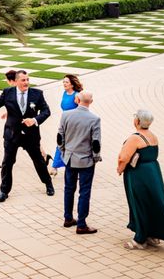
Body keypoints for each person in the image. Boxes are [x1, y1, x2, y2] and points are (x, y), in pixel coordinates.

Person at [0, 70, 54, 202]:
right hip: (12, 135)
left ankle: (48, 183)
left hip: (31, 135)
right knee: (7, 163)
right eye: (23, 80)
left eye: (27, 80)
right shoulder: (8, 92)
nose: (26, 82)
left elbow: (46, 111)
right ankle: (4, 190)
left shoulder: (37, 94)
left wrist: (35, 120)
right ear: (17, 81)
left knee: (39, 161)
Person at [117, 109, 164, 250]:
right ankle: (152, 234)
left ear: (137, 121)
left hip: (138, 174)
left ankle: (140, 239)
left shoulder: (135, 138)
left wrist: (120, 168)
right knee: (152, 202)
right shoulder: (153, 136)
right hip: (153, 172)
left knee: (139, 203)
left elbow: (123, 158)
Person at [57, 91, 101, 234]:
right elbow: (96, 143)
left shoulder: (66, 115)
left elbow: (60, 137)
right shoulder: (94, 119)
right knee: (85, 191)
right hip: (86, 160)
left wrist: (64, 151)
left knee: (69, 189)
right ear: (91, 102)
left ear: (77, 100)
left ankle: (68, 218)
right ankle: (81, 224)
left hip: (69, 158)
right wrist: (96, 158)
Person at [50, 74, 84, 175]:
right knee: (60, 143)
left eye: (66, 82)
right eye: (63, 82)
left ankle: (77, 168)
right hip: (64, 122)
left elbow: (82, 110)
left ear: (72, 84)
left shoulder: (77, 95)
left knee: (75, 146)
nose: (64, 84)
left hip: (74, 123)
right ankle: (55, 166)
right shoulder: (65, 93)